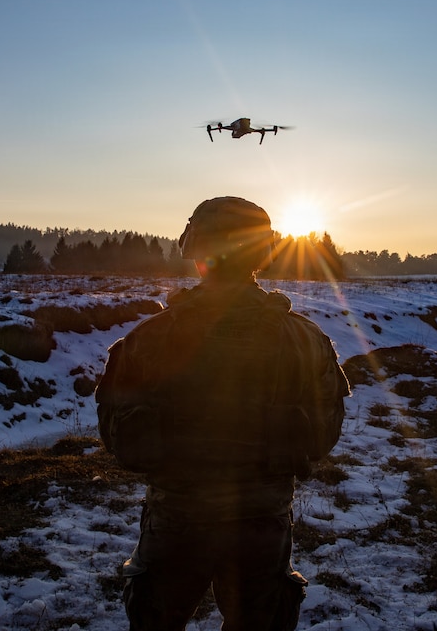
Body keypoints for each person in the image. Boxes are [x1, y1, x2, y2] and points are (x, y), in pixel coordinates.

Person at [96, 196, 351, 631]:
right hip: (262, 524)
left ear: (196, 250)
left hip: (177, 522)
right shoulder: (304, 339)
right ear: (263, 254)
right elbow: (324, 432)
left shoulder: (150, 338)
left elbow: (121, 439)